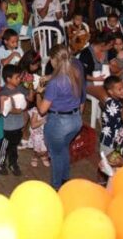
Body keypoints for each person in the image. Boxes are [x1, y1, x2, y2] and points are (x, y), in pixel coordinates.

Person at [36, 44, 86, 190]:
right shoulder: (76, 71)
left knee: (56, 155)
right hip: (76, 120)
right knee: (64, 148)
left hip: (59, 123)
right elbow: (64, 75)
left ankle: (56, 186)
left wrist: (39, 93)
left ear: (53, 59)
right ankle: (66, 178)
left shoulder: (55, 83)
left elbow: (42, 110)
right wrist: (50, 77)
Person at [0, 64, 28, 176]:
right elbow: (3, 110)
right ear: (8, 79)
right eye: (17, 77)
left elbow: (29, 98)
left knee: (14, 146)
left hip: (18, 124)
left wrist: (31, 87)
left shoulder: (20, 88)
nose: (19, 79)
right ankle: (1, 163)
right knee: (4, 147)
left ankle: (13, 163)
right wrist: (15, 110)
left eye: (20, 77)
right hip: (7, 127)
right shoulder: (3, 92)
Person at [99, 75, 123, 158]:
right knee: (108, 162)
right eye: (119, 89)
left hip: (118, 140)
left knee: (115, 160)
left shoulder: (113, 100)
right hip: (110, 141)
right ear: (110, 92)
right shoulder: (113, 106)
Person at [26, 102, 49, 168]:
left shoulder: (52, 110)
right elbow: (33, 125)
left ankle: (44, 156)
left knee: (46, 149)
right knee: (38, 150)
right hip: (37, 135)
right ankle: (35, 156)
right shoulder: (35, 110)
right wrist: (44, 120)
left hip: (47, 133)